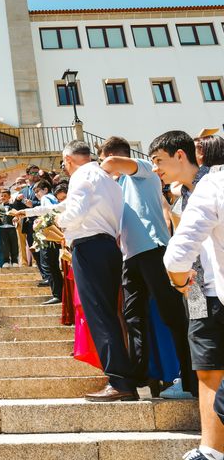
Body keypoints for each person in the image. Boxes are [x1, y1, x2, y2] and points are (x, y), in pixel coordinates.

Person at [99, 136, 197, 400]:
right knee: (134, 319)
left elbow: (111, 162)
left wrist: (95, 173)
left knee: (173, 317)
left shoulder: (144, 169)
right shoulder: (119, 186)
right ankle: (140, 378)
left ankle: (190, 381)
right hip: (130, 257)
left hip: (154, 250)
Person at [149, 131, 223, 460]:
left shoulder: (212, 182)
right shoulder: (181, 198)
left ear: (181, 156)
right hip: (197, 291)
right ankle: (211, 449)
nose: (155, 170)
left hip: (213, 286)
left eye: (159, 161)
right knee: (206, 368)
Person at [52, 141, 137, 401]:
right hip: (108, 246)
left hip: (88, 248)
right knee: (110, 312)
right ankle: (122, 378)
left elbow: (75, 212)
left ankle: (119, 381)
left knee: (100, 315)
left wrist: (58, 222)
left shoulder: (80, 175)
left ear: (68, 160)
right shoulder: (106, 178)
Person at [0, 189, 19, 268]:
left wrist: (16, 217)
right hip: (2, 228)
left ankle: (14, 260)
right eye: (2, 196)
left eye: (5, 196)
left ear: (9, 197)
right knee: (4, 245)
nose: (3, 197)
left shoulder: (13, 206)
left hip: (12, 227)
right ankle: (6, 261)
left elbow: (17, 215)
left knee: (14, 244)